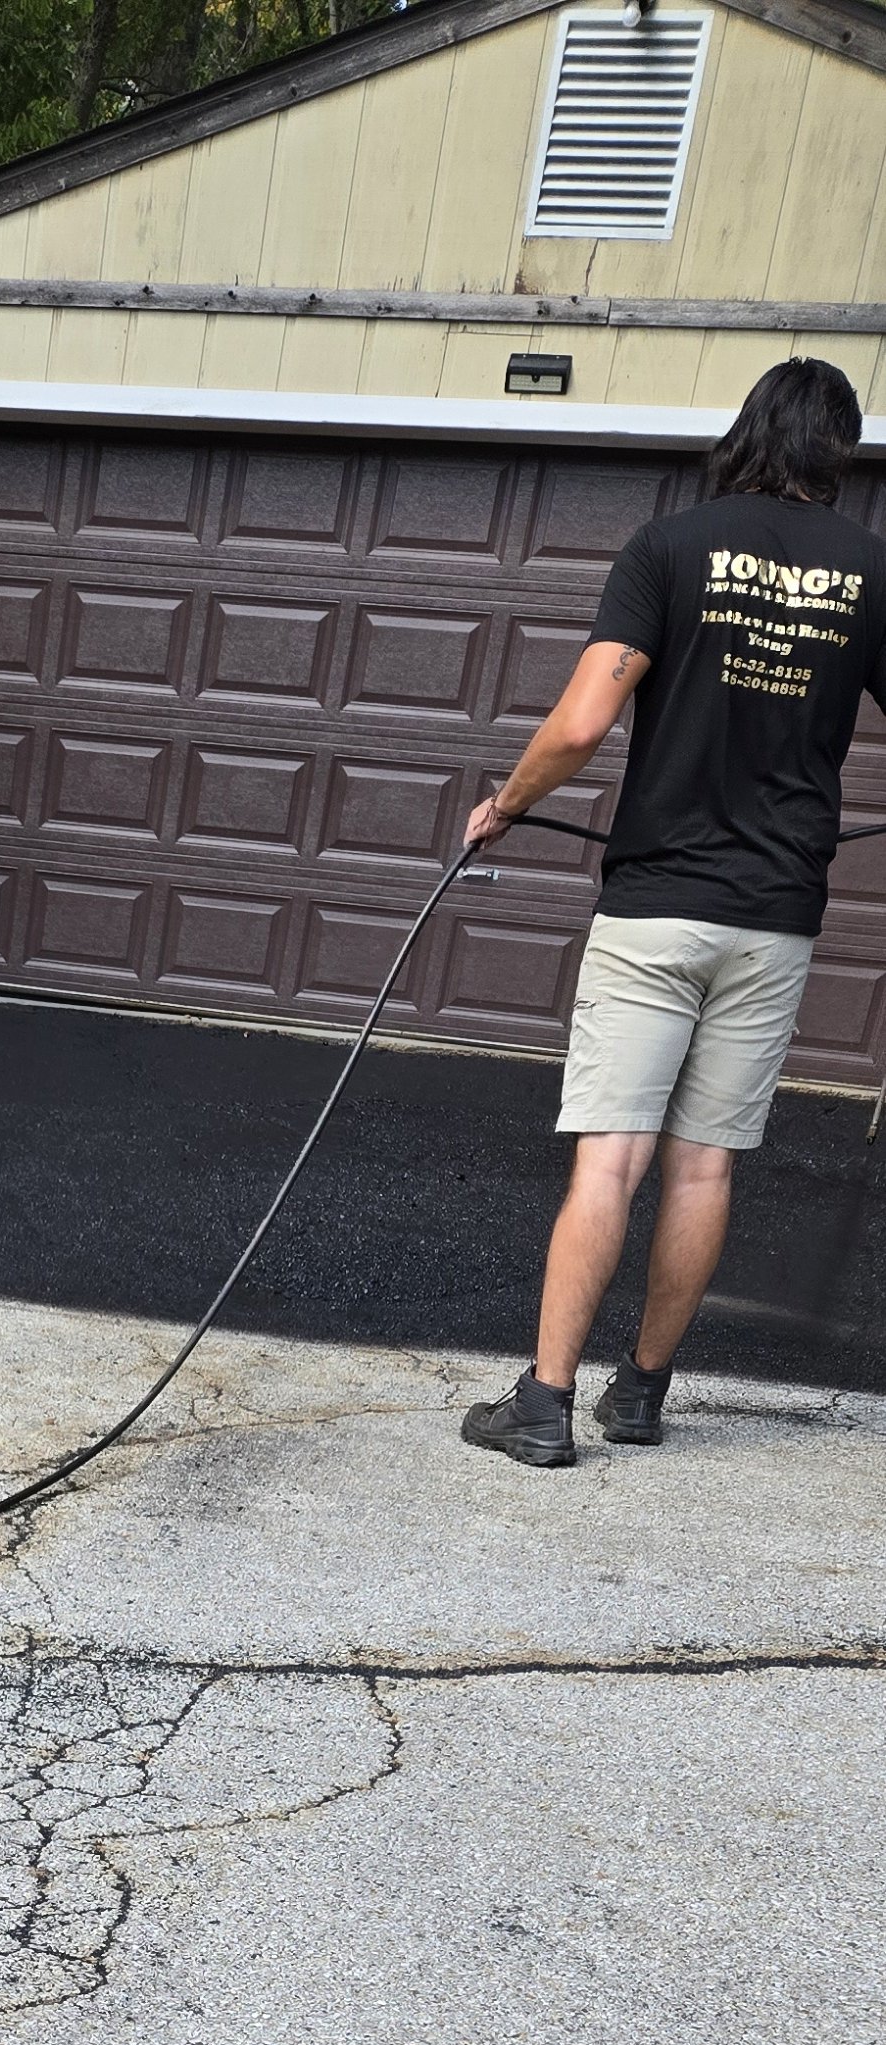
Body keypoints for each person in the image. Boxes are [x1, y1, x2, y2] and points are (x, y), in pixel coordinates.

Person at [460, 359, 886, 1469]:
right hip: (775, 915)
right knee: (703, 1165)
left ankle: (543, 1406)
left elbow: (579, 723)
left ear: (746, 429)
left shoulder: (668, 547)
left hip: (656, 908)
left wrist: (502, 805)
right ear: (835, 452)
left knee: (611, 1158)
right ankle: (640, 1395)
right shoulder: (869, 571)